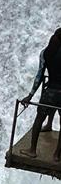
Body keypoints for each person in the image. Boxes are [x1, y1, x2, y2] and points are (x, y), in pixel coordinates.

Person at [20, 28, 61, 162]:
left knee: (39, 119)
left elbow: (39, 76)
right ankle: (56, 155)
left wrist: (30, 96)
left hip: (50, 92)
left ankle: (32, 150)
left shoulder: (45, 53)